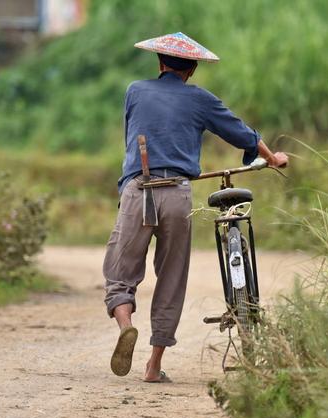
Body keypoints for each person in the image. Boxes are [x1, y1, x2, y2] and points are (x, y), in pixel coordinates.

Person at [103, 32, 288, 383]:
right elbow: (243, 134)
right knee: (171, 276)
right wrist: (272, 158)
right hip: (177, 192)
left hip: (137, 188)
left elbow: (134, 136)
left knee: (120, 270)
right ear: (192, 71)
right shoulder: (200, 99)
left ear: (160, 64)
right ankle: (153, 366)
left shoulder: (135, 91)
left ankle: (125, 326)